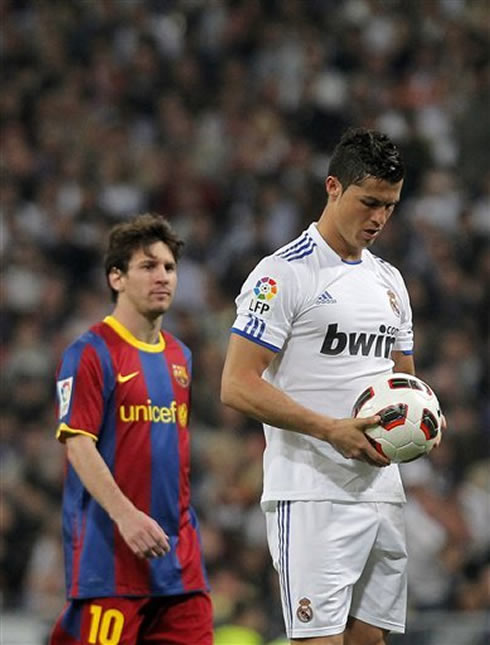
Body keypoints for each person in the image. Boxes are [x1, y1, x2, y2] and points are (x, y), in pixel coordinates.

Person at [221, 128, 420, 645]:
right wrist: (331, 430)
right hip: (312, 493)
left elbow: (405, 382)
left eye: (391, 206)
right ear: (333, 187)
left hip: (383, 491)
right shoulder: (283, 274)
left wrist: (423, 423)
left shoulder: (390, 282)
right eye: (369, 202)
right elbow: (237, 384)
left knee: (370, 642)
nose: (379, 218)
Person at [50, 213, 213, 644]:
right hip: (111, 565)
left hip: (180, 565)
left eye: (169, 267)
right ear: (116, 278)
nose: (162, 277)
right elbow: (78, 447)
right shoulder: (89, 352)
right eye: (148, 266)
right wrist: (127, 517)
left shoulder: (181, 357)